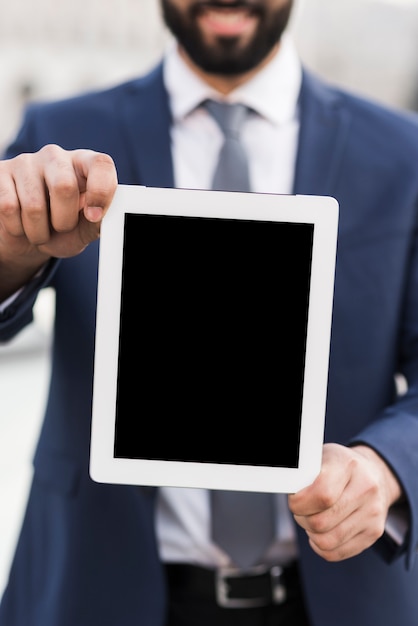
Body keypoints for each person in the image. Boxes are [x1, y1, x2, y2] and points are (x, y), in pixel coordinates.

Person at [1, 0, 418, 624]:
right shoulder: (59, 134)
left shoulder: (403, 154)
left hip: (336, 597)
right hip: (98, 588)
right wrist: (8, 257)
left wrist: (386, 468)